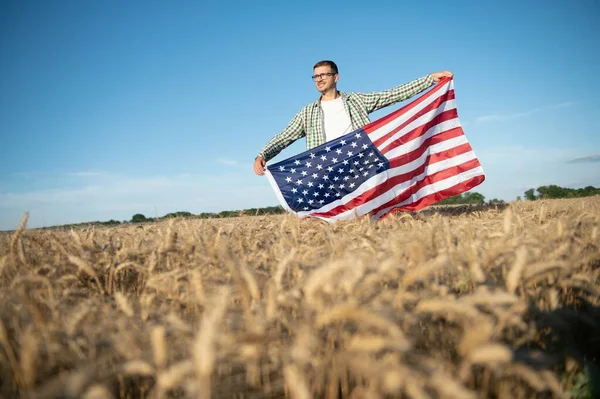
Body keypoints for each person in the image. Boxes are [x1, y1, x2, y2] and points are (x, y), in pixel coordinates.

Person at [253, 60, 452, 176]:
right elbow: (284, 136)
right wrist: (262, 155)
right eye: (316, 76)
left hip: (361, 161)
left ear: (336, 77)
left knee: (371, 212)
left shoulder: (356, 100)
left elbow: (392, 94)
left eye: (324, 74)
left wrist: (428, 79)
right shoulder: (308, 112)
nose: (319, 79)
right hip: (327, 167)